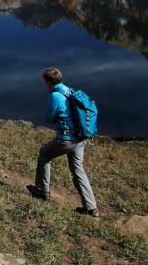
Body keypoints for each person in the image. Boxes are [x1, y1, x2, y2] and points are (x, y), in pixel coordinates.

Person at [27, 67, 98, 217]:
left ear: (48, 82)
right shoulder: (70, 90)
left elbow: (48, 118)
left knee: (45, 153)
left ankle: (42, 191)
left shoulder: (56, 96)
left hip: (67, 139)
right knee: (78, 170)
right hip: (80, 139)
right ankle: (91, 208)